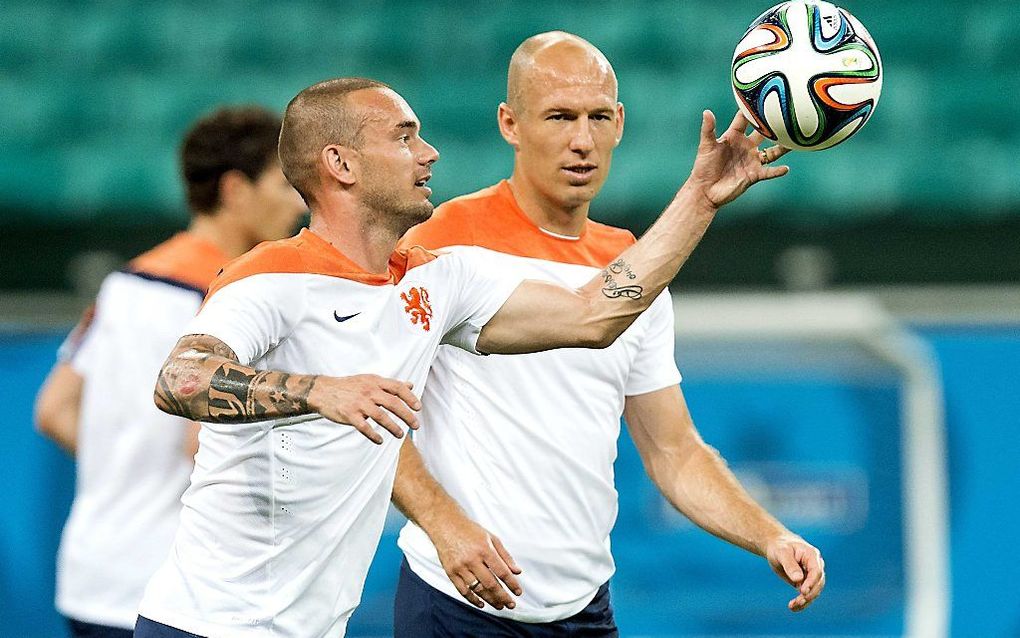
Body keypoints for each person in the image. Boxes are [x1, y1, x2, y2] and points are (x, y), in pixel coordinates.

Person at [134, 75, 786, 638]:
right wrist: (320, 391)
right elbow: (179, 379)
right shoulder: (270, 276)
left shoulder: (436, 280)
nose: (429, 152)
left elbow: (596, 314)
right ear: (341, 164)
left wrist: (699, 199)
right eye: (403, 136)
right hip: (202, 624)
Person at [389, 31, 825, 637]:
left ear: (620, 122)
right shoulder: (442, 243)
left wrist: (770, 533)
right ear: (509, 123)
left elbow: (673, 452)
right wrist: (445, 525)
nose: (581, 141)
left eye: (598, 117)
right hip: (458, 603)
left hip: (584, 609)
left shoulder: (633, 263)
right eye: (559, 117)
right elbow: (371, 414)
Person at [33, 106, 307, 638]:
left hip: (91, 573)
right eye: (284, 183)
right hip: (172, 588)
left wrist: (128, 468)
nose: (299, 204)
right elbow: (202, 445)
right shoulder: (233, 298)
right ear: (234, 189)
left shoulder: (122, 284)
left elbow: (52, 411)